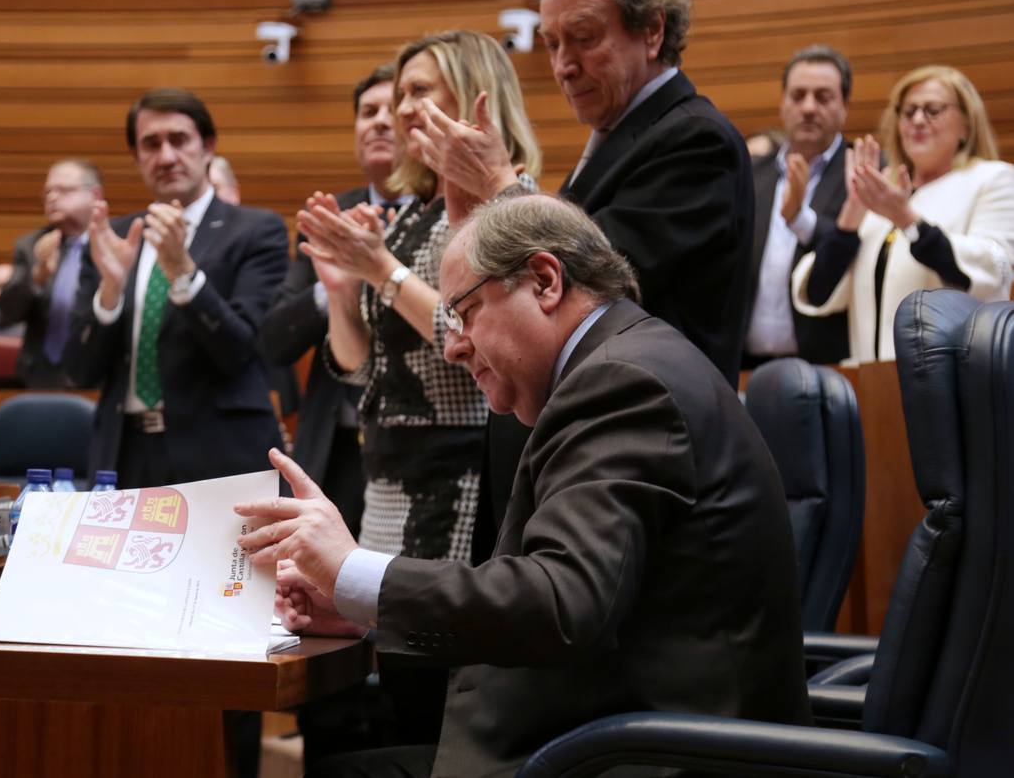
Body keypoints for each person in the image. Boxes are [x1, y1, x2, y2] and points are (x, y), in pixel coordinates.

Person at [236, 194, 811, 778]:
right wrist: (359, 605)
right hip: (610, 729)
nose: (454, 344)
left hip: (640, 753)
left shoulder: (621, 384)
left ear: (543, 281)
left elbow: (561, 603)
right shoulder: (622, 365)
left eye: (464, 311)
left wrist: (351, 567)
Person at [422, 0, 754, 560]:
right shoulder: (612, 140)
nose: (562, 64)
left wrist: (501, 185)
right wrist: (472, 208)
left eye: (583, 37)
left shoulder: (695, 139)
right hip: (572, 448)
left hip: (636, 458)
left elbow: (594, 279)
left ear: (651, 31)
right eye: (552, 43)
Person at [298, 29, 539, 745]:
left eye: (419, 90)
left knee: (435, 676)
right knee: (391, 668)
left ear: (470, 94)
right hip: (387, 473)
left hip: (459, 472)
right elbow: (360, 367)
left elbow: (471, 344)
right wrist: (344, 293)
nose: (402, 107)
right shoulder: (410, 211)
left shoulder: (505, 201)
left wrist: (380, 272)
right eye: (399, 92)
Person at [259, 63, 413, 767]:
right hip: (336, 457)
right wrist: (333, 285)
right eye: (364, 113)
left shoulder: (438, 215)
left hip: (414, 464)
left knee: (395, 618)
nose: (377, 121)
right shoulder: (328, 216)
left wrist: (376, 264)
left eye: (390, 108)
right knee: (323, 612)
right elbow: (273, 338)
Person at [63, 87, 289, 487]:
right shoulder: (114, 238)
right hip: (124, 455)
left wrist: (183, 273)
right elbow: (79, 370)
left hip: (220, 457)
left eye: (179, 140)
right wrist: (110, 293)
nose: (166, 156)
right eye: (151, 144)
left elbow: (240, 351)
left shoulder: (256, 230)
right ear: (136, 157)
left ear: (208, 147)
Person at [792, 65, 1014, 362]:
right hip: (874, 385)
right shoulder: (883, 196)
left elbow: (992, 271)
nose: (918, 120)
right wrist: (852, 211)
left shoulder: (993, 180)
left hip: (955, 381)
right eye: (908, 112)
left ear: (966, 125)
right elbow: (819, 292)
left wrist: (907, 220)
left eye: (933, 110)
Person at [744, 45, 854, 367]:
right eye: (798, 95)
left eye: (823, 97)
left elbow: (855, 257)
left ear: (844, 106)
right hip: (745, 366)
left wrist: (800, 219)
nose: (808, 107)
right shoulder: (751, 174)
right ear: (783, 102)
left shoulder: (862, 173)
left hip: (827, 365)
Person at [0, 159, 104, 389]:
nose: (52, 197)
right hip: (40, 375)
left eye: (64, 190)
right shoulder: (32, 246)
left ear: (95, 195)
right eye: (47, 192)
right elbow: (6, 313)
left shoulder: (115, 244)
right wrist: (37, 276)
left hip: (98, 373)